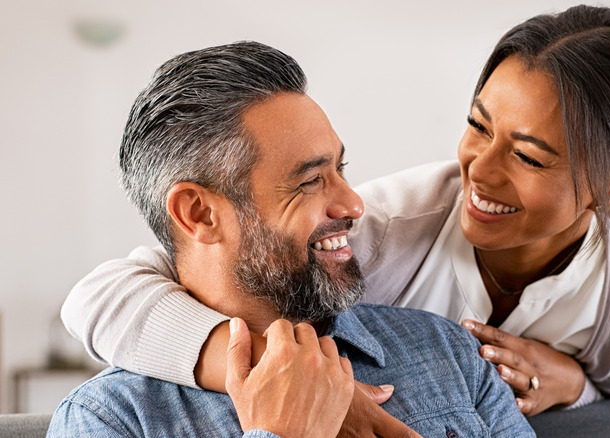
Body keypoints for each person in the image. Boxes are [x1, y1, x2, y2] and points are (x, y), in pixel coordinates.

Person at [62, 5, 610, 417]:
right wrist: (266, 371)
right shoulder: (381, 230)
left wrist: (575, 383)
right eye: (478, 127)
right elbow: (117, 291)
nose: (479, 170)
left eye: (531, 156)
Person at [47, 41, 534, 437]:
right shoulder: (112, 420)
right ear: (199, 214)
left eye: (339, 169)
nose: (353, 205)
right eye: (309, 181)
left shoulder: (447, 349)